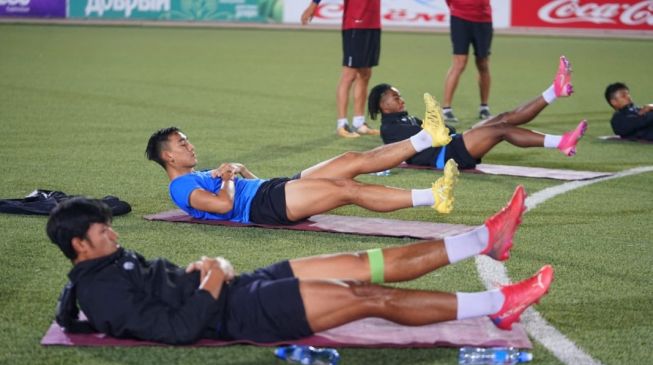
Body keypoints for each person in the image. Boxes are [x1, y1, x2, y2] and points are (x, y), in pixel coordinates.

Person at [48, 190, 554, 345]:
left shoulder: (109, 263)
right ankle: (499, 305)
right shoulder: (102, 292)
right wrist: (215, 275)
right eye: (102, 230)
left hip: (242, 285)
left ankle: (487, 239)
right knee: (368, 299)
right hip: (242, 312)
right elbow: (179, 330)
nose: (113, 232)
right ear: (79, 244)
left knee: (362, 264)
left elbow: (162, 294)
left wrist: (208, 270)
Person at [145, 97, 458, 225]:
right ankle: (434, 197)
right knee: (346, 189)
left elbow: (248, 184)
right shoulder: (180, 187)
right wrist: (227, 178)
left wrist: (237, 171)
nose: (190, 145)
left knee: (351, 158)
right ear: (168, 156)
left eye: (187, 140)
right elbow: (225, 207)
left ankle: (427, 137)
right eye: (182, 143)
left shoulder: (196, 175)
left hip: (271, 190)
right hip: (265, 206)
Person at [370, 56, 587, 169]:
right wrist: (439, 128)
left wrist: (440, 129)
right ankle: (561, 141)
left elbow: (443, 131)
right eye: (396, 98)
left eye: (400, 96)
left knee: (503, 118)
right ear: (383, 105)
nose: (402, 100)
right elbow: (432, 138)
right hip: (447, 156)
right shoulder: (389, 129)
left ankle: (554, 91)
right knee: (501, 130)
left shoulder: (404, 119)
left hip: (451, 145)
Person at [301, 0, 381, 138]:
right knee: (349, 75)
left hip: (373, 22)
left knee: (365, 73)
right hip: (355, 21)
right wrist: (313, 5)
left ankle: (359, 123)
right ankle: (342, 124)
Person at [441, 0, 494, 122]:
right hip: (460, 17)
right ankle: (446, 109)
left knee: (483, 63)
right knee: (459, 63)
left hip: (483, 19)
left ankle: (484, 107)